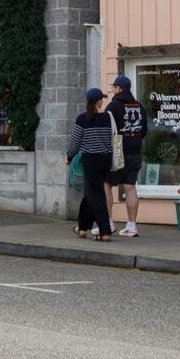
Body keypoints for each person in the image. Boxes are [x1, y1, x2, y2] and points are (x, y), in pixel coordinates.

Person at [68, 87, 116, 240]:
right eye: (102, 99)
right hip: (106, 159)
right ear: (99, 102)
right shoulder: (108, 118)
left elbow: (75, 142)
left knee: (97, 195)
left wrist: (69, 157)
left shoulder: (82, 119)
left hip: (90, 160)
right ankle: (82, 228)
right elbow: (115, 138)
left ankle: (105, 232)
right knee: (90, 194)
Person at [105, 74, 147, 236]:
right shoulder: (140, 106)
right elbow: (144, 130)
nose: (112, 90)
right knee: (130, 187)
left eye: (114, 87)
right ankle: (131, 226)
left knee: (106, 184)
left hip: (118, 149)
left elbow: (107, 129)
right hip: (135, 149)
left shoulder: (113, 106)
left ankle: (108, 222)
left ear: (119, 89)